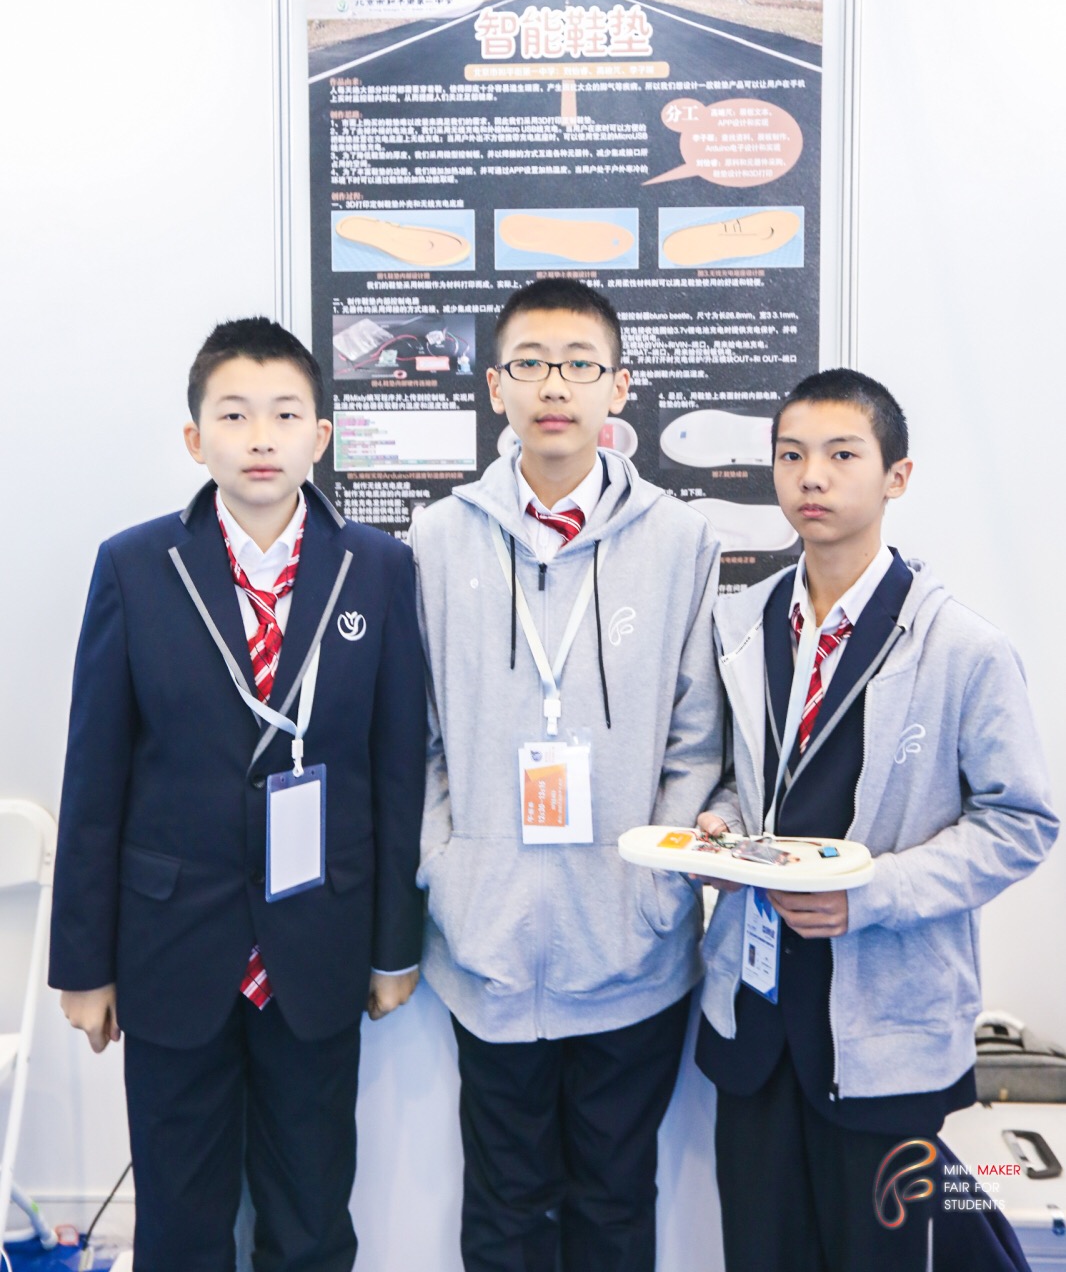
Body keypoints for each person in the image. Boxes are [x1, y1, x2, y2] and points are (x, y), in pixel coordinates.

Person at [50, 316, 427, 1272]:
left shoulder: (378, 568)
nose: (261, 437)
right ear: (195, 439)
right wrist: (83, 965)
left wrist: (394, 947)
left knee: (311, 1217)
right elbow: (93, 776)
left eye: (285, 414)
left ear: (321, 436)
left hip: (321, 940)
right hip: (171, 946)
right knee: (181, 1221)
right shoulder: (136, 566)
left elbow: (395, 772)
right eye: (234, 414)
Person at [695, 367, 1058, 1272]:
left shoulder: (962, 647)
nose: (811, 477)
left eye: (841, 455)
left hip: (887, 1034)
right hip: (757, 1019)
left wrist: (874, 893)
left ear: (897, 476)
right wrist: (719, 829)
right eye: (791, 456)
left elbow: (1021, 821)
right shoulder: (744, 624)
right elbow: (744, 783)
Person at [411, 276, 723, 1272]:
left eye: (581, 364)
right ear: (494, 385)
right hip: (488, 950)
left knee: (614, 1203)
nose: (556, 385)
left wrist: (656, 885)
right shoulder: (436, 540)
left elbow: (697, 738)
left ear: (618, 387)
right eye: (532, 363)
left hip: (631, 946)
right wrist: (447, 871)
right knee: (503, 1209)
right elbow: (418, 736)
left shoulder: (680, 541)